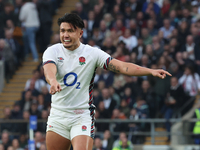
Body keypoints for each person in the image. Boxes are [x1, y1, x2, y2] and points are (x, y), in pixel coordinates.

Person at [42, 13, 171, 150]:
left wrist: (150, 71)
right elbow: (49, 70)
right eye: (62, 31)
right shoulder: (53, 51)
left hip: (81, 116)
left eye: (70, 31)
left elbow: (122, 66)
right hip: (58, 115)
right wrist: (53, 81)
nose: (65, 35)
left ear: (80, 33)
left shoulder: (92, 53)